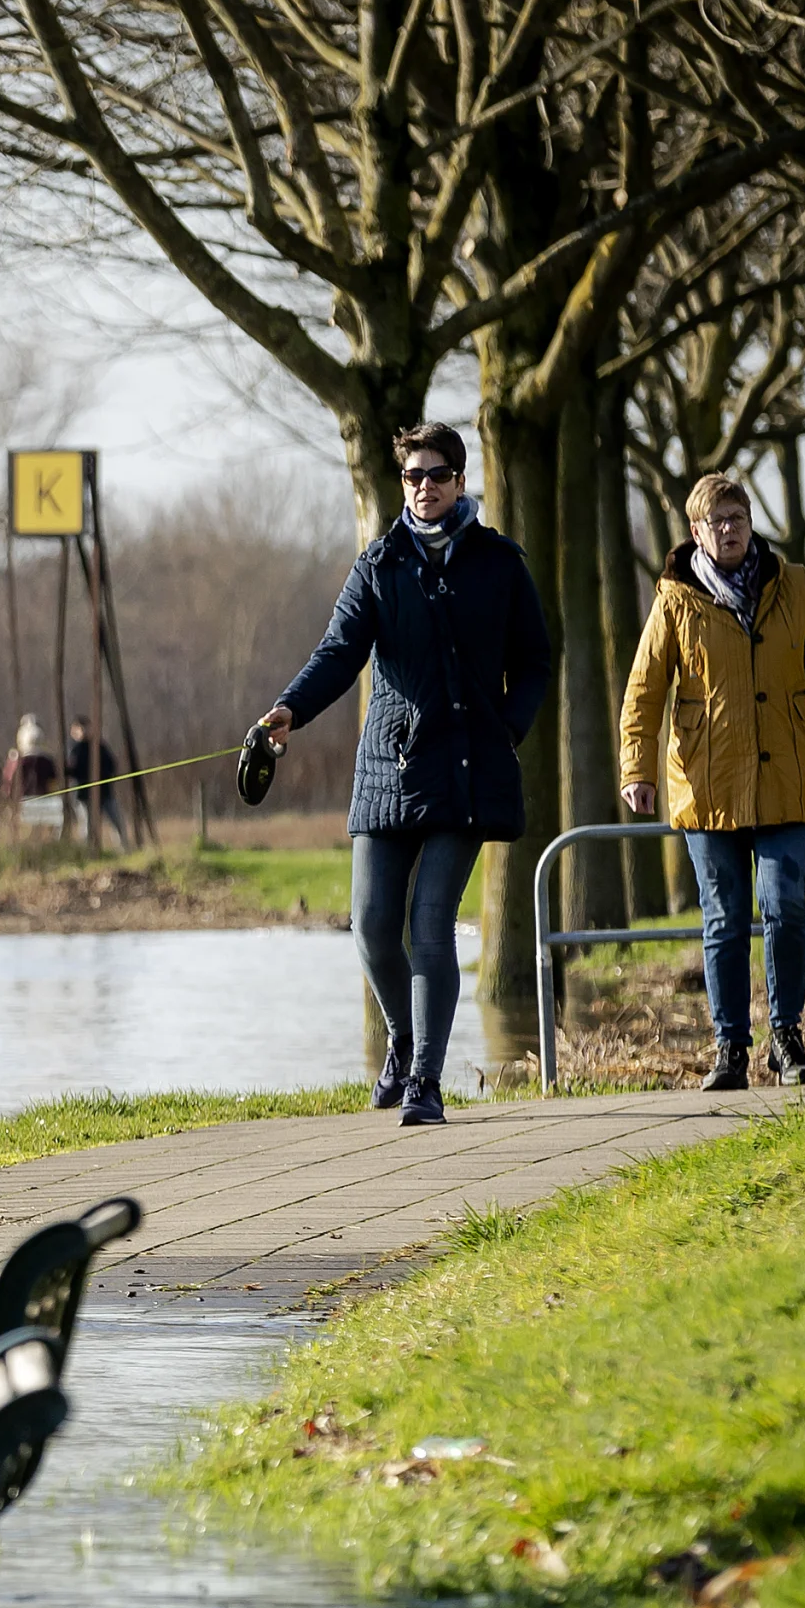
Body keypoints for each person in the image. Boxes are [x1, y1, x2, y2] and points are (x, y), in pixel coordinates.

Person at [253, 421, 554, 1127]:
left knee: (429, 925)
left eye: (437, 475)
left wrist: (509, 726)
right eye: (413, 476)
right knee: (371, 925)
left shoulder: (500, 563)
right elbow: (338, 652)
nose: (423, 487)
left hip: (468, 771)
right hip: (388, 768)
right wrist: (289, 709)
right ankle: (402, 1037)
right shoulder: (378, 565)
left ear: (460, 481)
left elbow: (536, 659)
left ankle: (424, 1081)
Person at [617, 470, 805, 1088]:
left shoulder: (795, 586)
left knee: (785, 906)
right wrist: (636, 769)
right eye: (715, 522)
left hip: (789, 776)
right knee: (724, 918)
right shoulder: (674, 599)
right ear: (696, 533)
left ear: (751, 524)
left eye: (737, 519)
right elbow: (643, 694)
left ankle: (786, 1038)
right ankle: (730, 1048)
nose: (728, 531)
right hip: (707, 784)